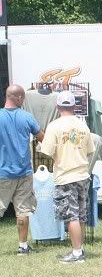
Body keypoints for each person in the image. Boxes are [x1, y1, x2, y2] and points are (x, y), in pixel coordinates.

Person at [39, 91, 94, 263]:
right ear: (74, 106)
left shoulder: (54, 126)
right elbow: (90, 150)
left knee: (72, 217)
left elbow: (47, 152)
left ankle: (77, 254)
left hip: (65, 176)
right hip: (83, 175)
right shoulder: (83, 126)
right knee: (81, 215)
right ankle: (80, 248)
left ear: (57, 106)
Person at [0, 85, 45, 255]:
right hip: (24, 172)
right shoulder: (27, 117)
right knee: (23, 210)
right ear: (18, 97)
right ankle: (23, 246)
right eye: (23, 98)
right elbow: (42, 137)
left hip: (2, 172)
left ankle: (24, 246)